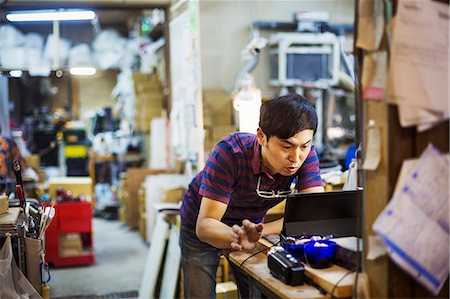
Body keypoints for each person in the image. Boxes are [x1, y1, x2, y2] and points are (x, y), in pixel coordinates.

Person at [179, 93, 325, 298]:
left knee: (256, 288)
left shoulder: (305, 155)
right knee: (200, 293)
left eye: (305, 145)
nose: (296, 158)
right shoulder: (230, 153)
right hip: (203, 218)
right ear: (261, 136)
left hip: (250, 225)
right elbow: (205, 226)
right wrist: (238, 236)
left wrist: (258, 233)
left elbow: (313, 212)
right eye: (286, 146)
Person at [0, 125, 25, 194]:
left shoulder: (8, 142)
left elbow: (18, 161)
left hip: (8, 183)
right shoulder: (9, 142)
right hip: (8, 183)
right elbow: (19, 162)